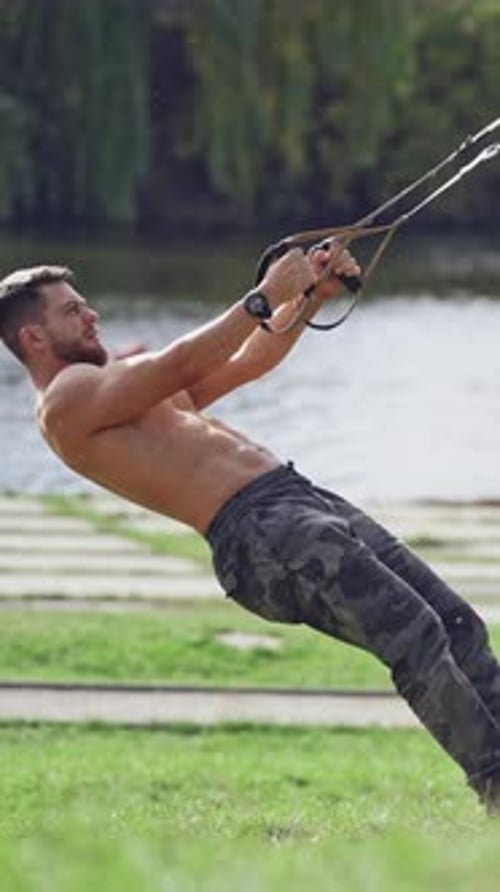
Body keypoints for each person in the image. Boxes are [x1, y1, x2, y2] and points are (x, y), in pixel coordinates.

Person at [1, 245, 500, 815]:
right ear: (33, 340)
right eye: (72, 312)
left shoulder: (117, 391)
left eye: (85, 305)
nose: (91, 315)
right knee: (414, 635)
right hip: (263, 534)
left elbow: (248, 361)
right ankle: (495, 786)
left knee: (458, 625)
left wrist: (311, 295)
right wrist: (265, 295)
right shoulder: (66, 402)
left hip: (298, 500)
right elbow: (182, 362)